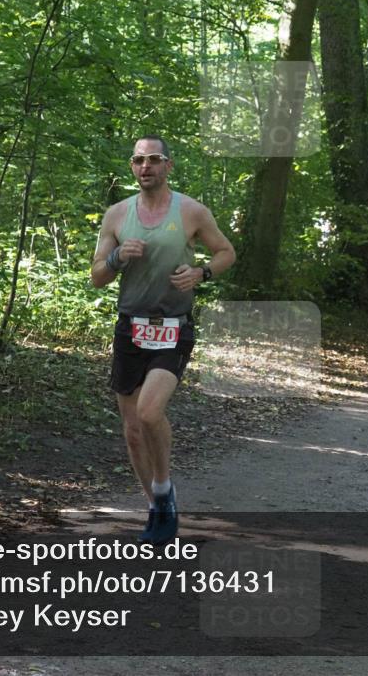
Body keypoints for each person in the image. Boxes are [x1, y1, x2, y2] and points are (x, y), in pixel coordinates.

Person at [91, 136, 235, 544]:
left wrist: (202, 273)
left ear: (168, 166)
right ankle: (156, 505)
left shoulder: (190, 211)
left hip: (173, 326)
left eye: (154, 159)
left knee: (150, 413)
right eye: (139, 160)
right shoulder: (117, 215)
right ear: (132, 167)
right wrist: (118, 258)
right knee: (132, 429)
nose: (145, 166)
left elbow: (226, 252)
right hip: (130, 327)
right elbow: (97, 277)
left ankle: (163, 489)